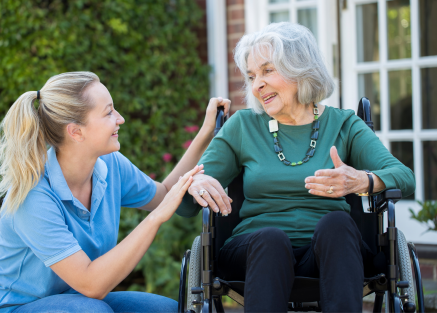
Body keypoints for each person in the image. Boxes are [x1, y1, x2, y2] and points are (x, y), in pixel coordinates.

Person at [176, 22, 416, 313]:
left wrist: (362, 181)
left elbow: (405, 178)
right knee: (271, 237)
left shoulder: (343, 124)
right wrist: (196, 184)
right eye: (252, 76)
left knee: (338, 225)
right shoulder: (243, 126)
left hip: (329, 252)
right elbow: (185, 207)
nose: (256, 85)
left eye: (267, 70)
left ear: (300, 69)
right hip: (255, 250)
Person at [0, 71, 231, 313]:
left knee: (166, 310)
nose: (120, 118)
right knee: (91, 310)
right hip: (15, 308)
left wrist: (205, 132)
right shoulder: (33, 195)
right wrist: (156, 218)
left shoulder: (110, 165)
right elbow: (92, 285)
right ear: (76, 131)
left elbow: (164, 194)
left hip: (76, 301)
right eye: (109, 112)